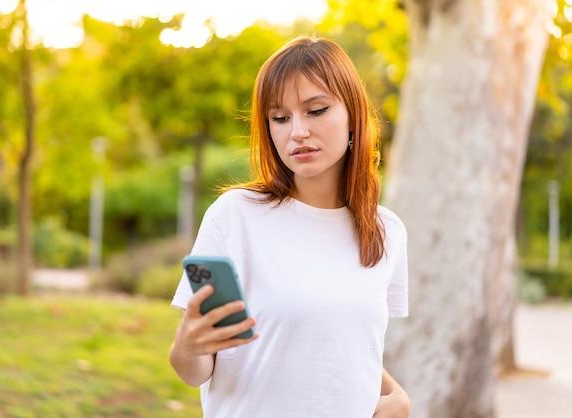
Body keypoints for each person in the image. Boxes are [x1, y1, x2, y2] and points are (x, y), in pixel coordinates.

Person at [169, 36, 410, 418]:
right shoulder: (235, 216)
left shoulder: (387, 231)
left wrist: (396, 393)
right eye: (280, 118)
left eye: (316, 110)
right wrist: (186, 346)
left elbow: (337, 345)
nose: (297, 131)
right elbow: (194, 370)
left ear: (354, 117)